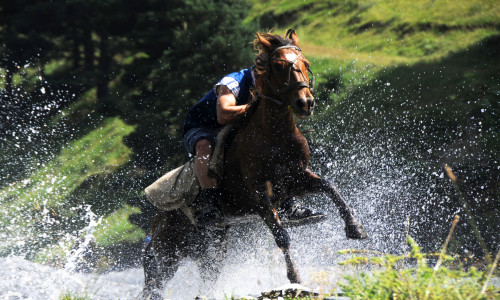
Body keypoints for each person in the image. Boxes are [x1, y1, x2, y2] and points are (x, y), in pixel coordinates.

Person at [183, 66, 325, 227]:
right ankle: (211, 204)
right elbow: (223, 115)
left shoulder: (276, 82)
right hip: (203, 127)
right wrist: (259, 106)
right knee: (203, 145)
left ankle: (289, 205)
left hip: (238, 124)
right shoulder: (232, 83)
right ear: (257, 74)